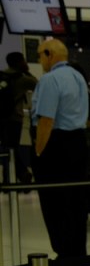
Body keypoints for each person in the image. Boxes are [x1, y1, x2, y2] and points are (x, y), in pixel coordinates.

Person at [30, 39, 90, 262]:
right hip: (78, 142)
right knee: (76, 201)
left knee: (55, 202)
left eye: (40, 55)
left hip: (56, 145)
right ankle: (78, 252)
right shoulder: (77, 76)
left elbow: (46, 120)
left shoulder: (50, 79)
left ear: (49, 54)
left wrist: (38, 152)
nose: (40, 61)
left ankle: (65, 254)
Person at [1, 52, 37, 184]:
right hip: (14, 119)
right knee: (13, 148)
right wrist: (26, 71)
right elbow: (38, 84)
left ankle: (9, 178)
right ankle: (22, 174)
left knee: (7, 149)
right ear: (20, 62)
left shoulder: (2, 75)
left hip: (2, 118)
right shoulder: (23, 79)